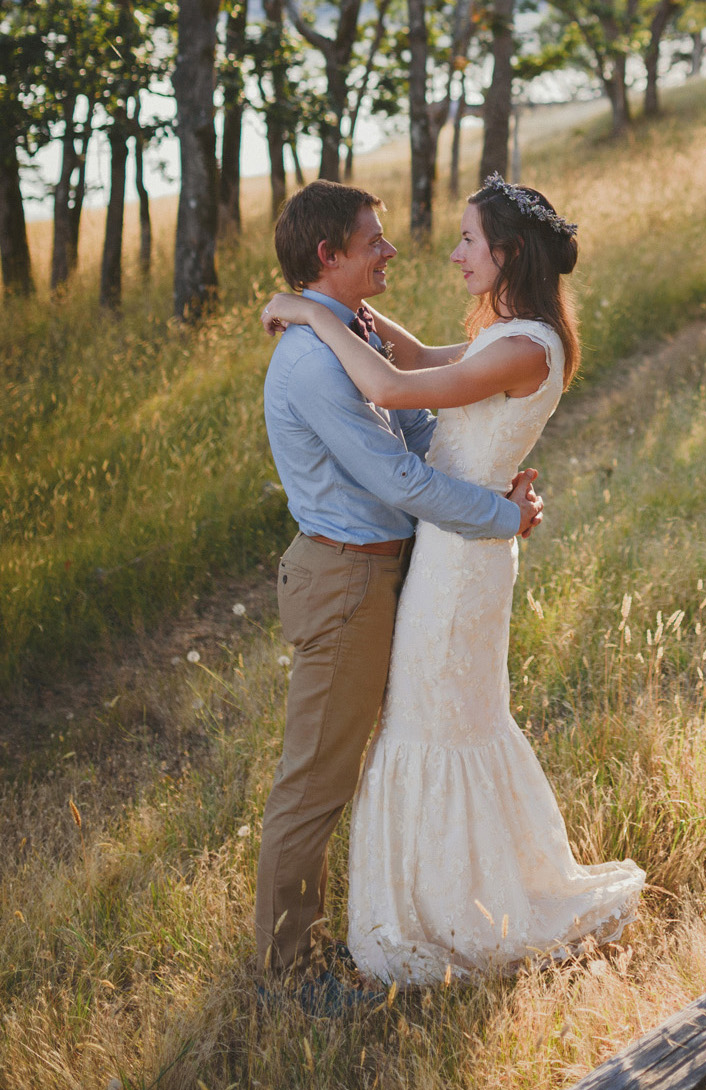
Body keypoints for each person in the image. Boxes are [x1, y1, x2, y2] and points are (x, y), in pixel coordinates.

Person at [260, 173, 644, 989]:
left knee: (441, 726)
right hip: (446, 544)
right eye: (378, 242)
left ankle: (460, 907)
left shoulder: (518, 345)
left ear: (507, 253)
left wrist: (308, 312)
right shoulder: (510, 334)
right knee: (430, 724)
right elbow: (416, 359)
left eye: (469, 239)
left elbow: (396, 390)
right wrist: (333, 314)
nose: (451, 252)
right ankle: (418, 907)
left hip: (459, 554)